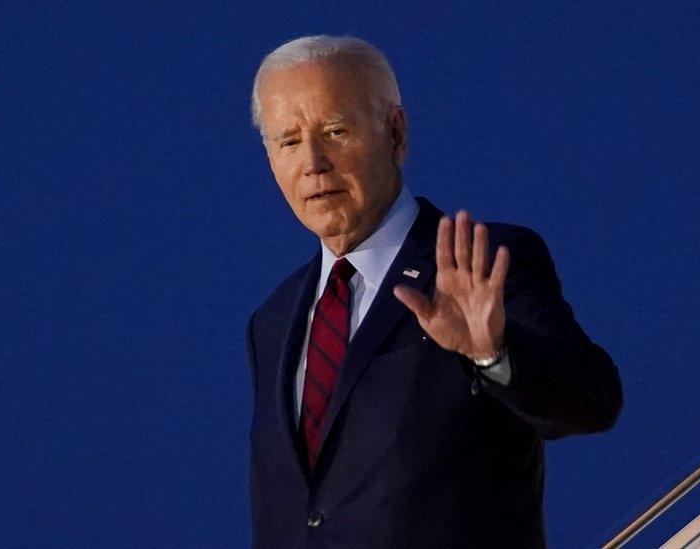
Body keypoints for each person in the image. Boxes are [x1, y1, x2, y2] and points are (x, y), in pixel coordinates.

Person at [245, 35, 623, 548]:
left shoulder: (483, 263)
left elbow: (590, 403)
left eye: (335, 131)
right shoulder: (272, 321)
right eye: (289, 141)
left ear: (395, 134)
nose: (313, 162)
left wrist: (491, 353)